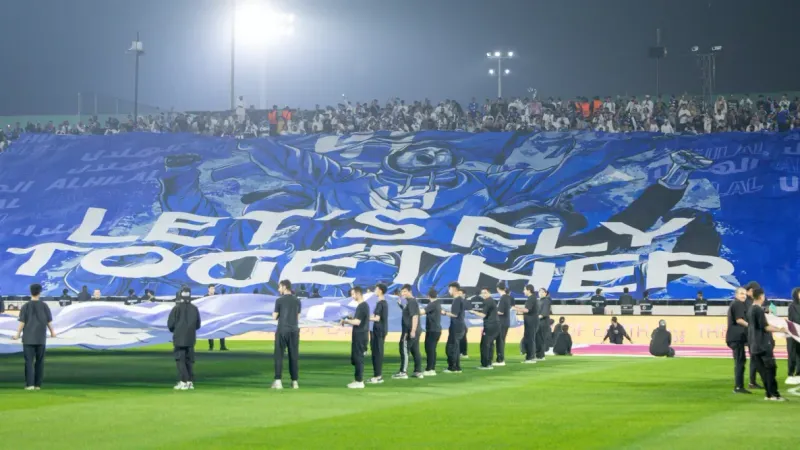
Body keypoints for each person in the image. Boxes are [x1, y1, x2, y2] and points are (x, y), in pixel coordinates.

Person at [12, 283, 56, 390]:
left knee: (28, 362)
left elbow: (22, 322)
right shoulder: (44, 306)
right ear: (40, 292)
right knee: (40, 362)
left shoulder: (26, 306)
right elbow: (49, 321)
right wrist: (52, 332)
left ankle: (30, 384)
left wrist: (17, 334)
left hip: (28, 338)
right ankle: (38, 385)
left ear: (30, 292)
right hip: (41, 338)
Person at [747, 287, 787, 401]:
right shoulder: (758, 310)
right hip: (763, 344)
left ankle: (769, 394)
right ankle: (774, 394)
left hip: (754, 345)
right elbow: (765, 326)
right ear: (760, 296)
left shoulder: (750, 309)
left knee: (763, 372)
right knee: (770, 369)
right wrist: (780, 329)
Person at [168, 286, 201, 390]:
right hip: (191, 338)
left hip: (179, 338)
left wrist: (177, 331)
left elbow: (170, 324)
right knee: (189, 360)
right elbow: (198, 325)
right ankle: (190, 381)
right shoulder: (194, 308)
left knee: (180, 360)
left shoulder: (176, 308)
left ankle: (183, 381)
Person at [272, 279, 301, 390]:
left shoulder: (279, 300)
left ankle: (278, 381)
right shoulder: (297, 301)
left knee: (279, 356)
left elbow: (274, 317)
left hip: (282, 330)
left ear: (284, 287)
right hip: (294, 330)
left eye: (279, 287)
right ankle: (294, 382)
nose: (279, 290)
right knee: (293, 356)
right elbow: (297, 317)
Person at [340, 286, 370, 389]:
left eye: (353, 294)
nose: (352, 296)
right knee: (356, 358)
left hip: (360, 335)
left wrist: (346, 321)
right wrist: (351, 318)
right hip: (360, 335)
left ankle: (359, 381)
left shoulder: (362, 306)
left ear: (358, 294)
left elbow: (357, 322)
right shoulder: (362, 306)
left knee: (358, 358)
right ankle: (358, 379)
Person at [394, 284, 423, 379]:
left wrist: (413, 330)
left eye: (405, 291)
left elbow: (415, 316)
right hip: (414, 329)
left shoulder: (412, 302)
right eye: (402, 292)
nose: (403, 293)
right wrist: (400, 305)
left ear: (410, 291)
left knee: (404, 349)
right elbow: (409, 314)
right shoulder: (409, 302)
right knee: (415, 350)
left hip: (409, 330)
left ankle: (403, 372)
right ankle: (418, 371)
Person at [726, 287, 751, 394]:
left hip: (736, 337)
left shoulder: (737, 304)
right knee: (740, 361)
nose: (743, 296)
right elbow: (739, 320)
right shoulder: (737, 304)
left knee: (740, 361)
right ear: (736, 295)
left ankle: (739, 386)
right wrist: (751, 326)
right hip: (736, 337)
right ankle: (738, 386)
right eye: (741, 294)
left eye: (745, 294)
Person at [468, 287, 499, 370]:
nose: (483, 294)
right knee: (490, 344)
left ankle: (485, 364)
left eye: (485, 292)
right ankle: (489, 363)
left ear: (489, 293)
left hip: (489, 325)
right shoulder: (492, 301)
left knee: (485, 344)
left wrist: (473, 311)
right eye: (482, 293)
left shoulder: (487, 301)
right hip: (495, 325)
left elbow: (483, 315)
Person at [442, 282, 466, 374]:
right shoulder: (461, 299)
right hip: (460, 326)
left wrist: (444, 312)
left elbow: (454, 314)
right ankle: (457, 367)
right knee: (456, 347)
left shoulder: (456, 300)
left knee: (451, 347)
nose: (449, 291)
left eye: (449, 289)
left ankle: (453, 367)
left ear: (454, 289)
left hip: (456, 326)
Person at [368, 283, 389, 384]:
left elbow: (377, 318)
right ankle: (377, 375)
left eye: (376, 289)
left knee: (377, 353)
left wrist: (365, 318)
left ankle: (378, 376)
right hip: (380, 330)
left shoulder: (381, 303)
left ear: (380, 290)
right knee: (377, 352)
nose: (375, 291)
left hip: (379, 330)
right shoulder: (383, 303)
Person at [513, 284, 539, 364]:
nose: (523, 291)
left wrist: (515, 308)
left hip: (531, 322)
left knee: (529, 339)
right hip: (532, 321)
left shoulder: (531, 298)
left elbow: (527, 310)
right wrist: (517, 308)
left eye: (524, 290)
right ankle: (532, 356)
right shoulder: (532, 298)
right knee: (531, 339)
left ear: (529, 290)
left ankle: (530, 358)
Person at [744, 281, 762, 389]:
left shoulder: (754, 302)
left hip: (756, 334)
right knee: (755, 357)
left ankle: (753, 380)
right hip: (751, 334)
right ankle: (752, 381)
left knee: (756, 357)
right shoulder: (746, 302)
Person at [419, 288, 442, 376]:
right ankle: (431, 368)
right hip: (435, 330)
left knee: (430, 349)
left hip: (433, 330)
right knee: (431, 349)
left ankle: (430, 369)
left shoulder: (432, 304)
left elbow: (422, 312)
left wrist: (411, 310)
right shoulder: (436, 303)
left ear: (428, 296)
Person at [494, 283, 513, 366]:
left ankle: (500, 360)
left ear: (498, 289)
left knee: (500, 341)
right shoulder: (508, 297)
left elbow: (500, 312)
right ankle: (500, 359)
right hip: (506, 322)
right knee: (501, 340)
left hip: (502, 322)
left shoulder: (503, 298)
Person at [205, 285, 228, 352]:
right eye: (211, 288)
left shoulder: (217, 296)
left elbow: (222, 303)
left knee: (221, 330)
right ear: (208, 289)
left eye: (213, 289)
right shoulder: (205, 297)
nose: (212, 290)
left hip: (217, 316)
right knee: (210, 332)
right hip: (209, 317)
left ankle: (222, 346)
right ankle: (211, 347)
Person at [461, 292, 483, 359]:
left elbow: (470, 312)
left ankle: (464, 353)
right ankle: (462, 353)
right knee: (461, 338)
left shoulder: (466, 302)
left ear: (464, 294)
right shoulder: (463, 301)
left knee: (462, 338)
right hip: (462, 323)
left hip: (463, 323)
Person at [787, 288, 800, 385]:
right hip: (793, 333)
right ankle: (790, 374)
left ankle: (799, 373)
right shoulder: (792, 306)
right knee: (792, 354)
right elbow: (793, 319)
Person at [536, 288, 552, 361]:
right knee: (537, 339)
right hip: (538, 322)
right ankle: (538, 354)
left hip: (543, 323)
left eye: (542, 292)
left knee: (541, 339)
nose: (540, 293)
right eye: (539, 292)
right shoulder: (539, 301)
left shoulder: (546, 301)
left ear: (546, 293)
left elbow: (544, 313)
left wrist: (536, 318)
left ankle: (541, 356)